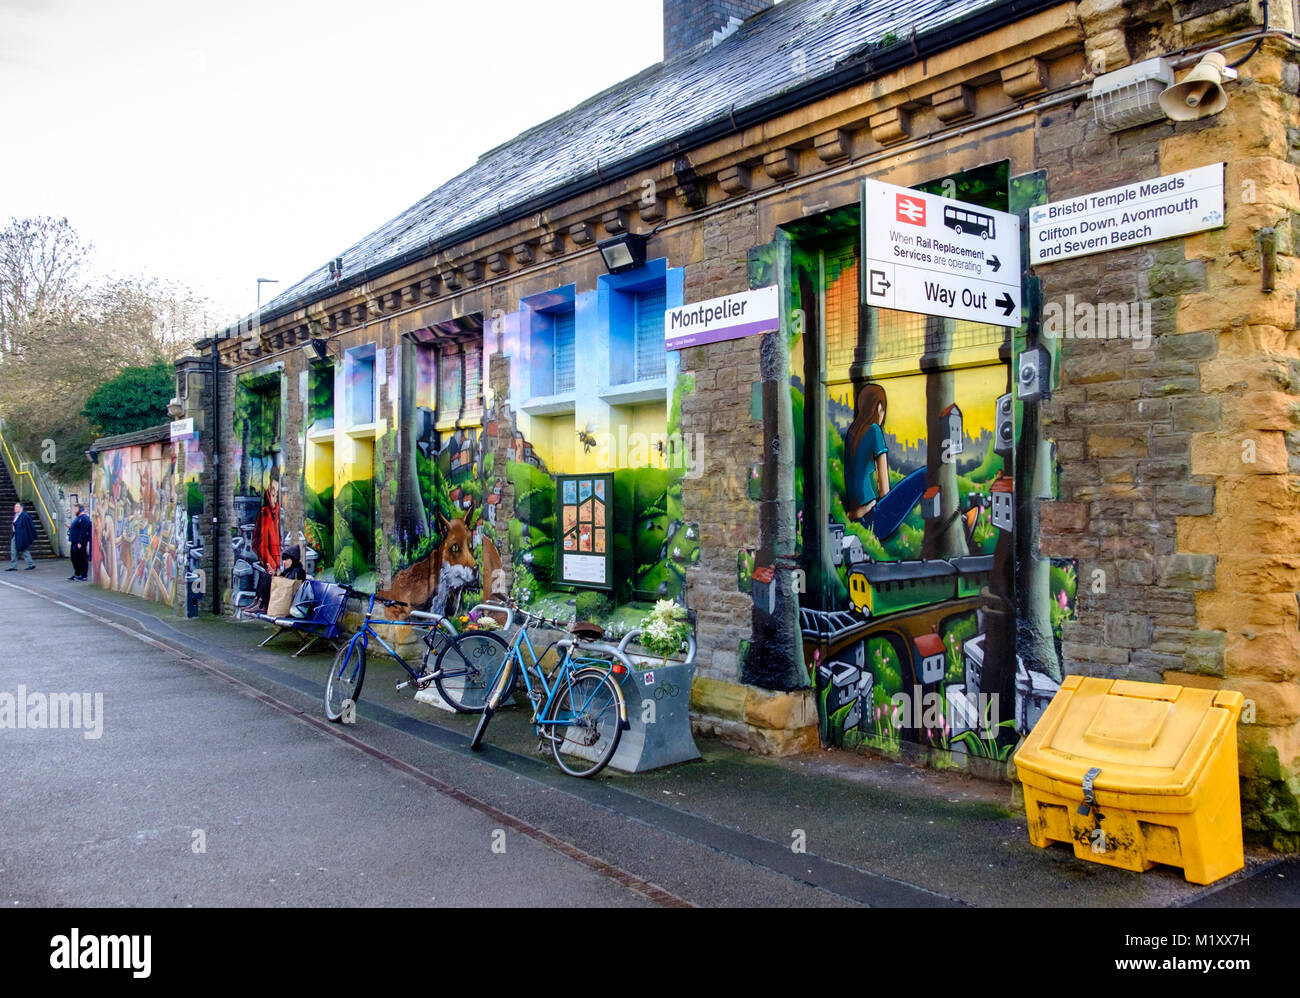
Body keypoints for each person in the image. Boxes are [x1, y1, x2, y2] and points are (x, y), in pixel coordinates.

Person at [843, 382, 892, 522]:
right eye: (883, 409)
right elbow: (884, 488)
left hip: (854, 509)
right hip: (871, 507)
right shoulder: (874, 430)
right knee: (921, 477)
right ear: (878, 407)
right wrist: (887, 509)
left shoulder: (852, 432)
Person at [7, 502, 37, 571]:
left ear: (21, 508)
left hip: (22, 536)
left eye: (17, 507)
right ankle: (13, 566)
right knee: (13, 550)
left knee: (24, 549)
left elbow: (28, 526)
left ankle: (31, 564)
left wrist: (25, 536)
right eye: (15, 507)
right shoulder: (16, 515)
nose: (15, 508)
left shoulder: (24, 516)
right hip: (15, 535)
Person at [67, 504, 92, 581]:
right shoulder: (78, 518)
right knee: (75, 558)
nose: (74, 510)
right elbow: (78, 528)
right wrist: (70, 527)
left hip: (79, 542)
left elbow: (83, 531)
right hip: (74, 541)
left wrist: (80, 542)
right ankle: (77, 573)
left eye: (76, 509)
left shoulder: (84, 518)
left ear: (80, 509)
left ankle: (83, 575)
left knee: (82, 558)